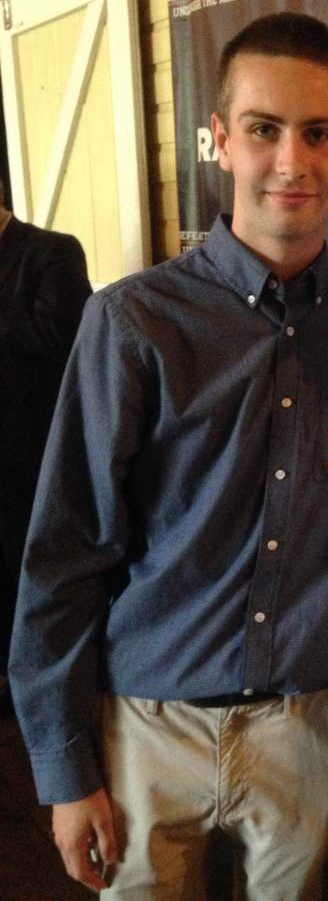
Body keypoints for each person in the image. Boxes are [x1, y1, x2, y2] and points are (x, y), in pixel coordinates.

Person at [10, 13, 328, 900]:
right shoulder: (132, 324)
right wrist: (65, 769)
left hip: (310, 732)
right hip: (147, 736)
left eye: (317, 133)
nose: (290, 162)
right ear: (221, 140)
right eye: (264, 130)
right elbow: (65, 555)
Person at [0, 180, 90, 702]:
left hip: (34, 453)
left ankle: (39, 687)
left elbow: (63, 336)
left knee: (32, 577)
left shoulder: (51, 251)